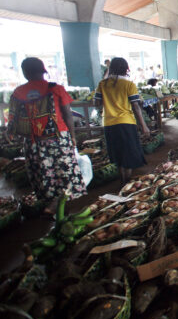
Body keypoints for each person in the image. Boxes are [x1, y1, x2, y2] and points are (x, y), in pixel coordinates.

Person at [7, 57, 86, 213]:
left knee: (43, 173)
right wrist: (73, 136)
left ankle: (51, 202)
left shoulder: (18, 92)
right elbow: (67, 115)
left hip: (33, 141)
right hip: (58, 138)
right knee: (65, 172)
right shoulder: (55, 88)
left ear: (24, 72)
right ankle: (58, 205)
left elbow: (12, 117)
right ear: (43, 70)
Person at [94, 57, 149, 184]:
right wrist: (143, 125)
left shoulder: (102, 84)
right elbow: (135, 106)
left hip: (108, 123)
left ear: (111, 68)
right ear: (126, 68)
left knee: (117, 152)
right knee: (128, 152)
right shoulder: (129, 84)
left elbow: (96, 103)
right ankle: (126, 181)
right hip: (126, 122)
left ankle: (123, 180)